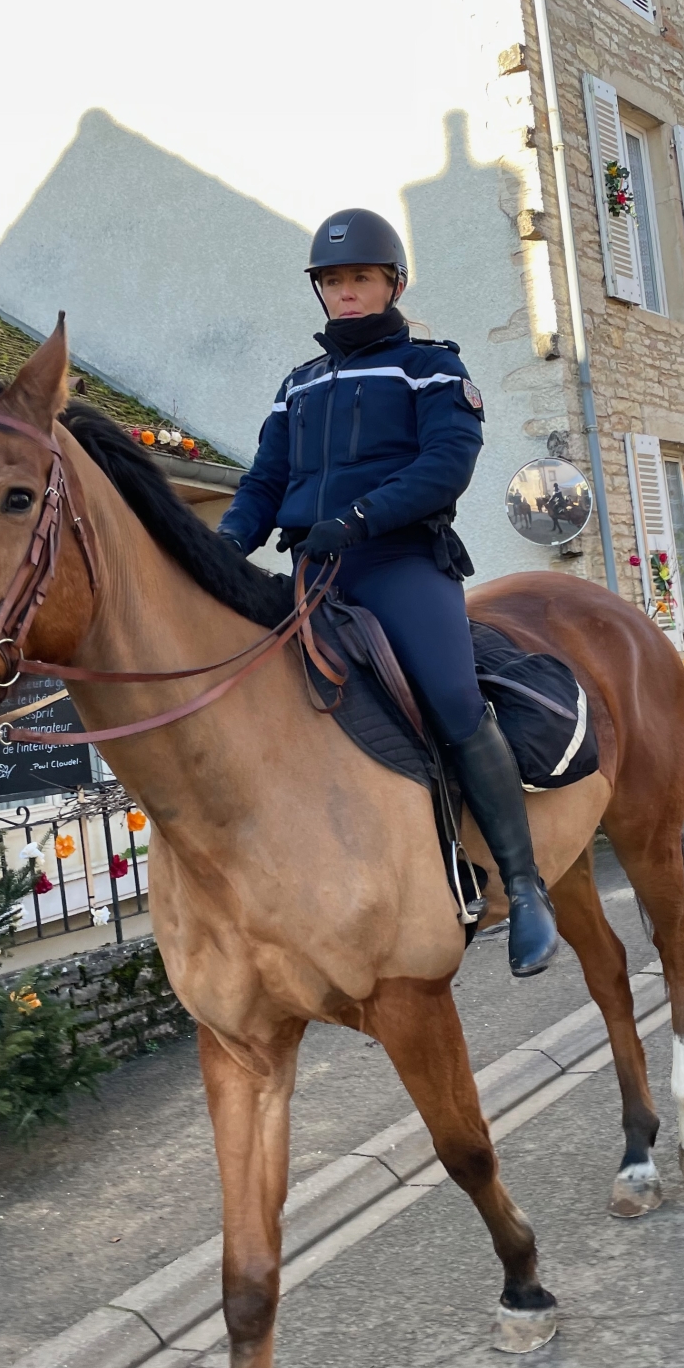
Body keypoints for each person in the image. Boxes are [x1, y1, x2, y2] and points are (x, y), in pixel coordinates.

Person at [215, 208, 560, 977]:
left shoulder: (430, 368)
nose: (345, 292)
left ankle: (524, 885)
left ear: (393, 284)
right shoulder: (297, 386)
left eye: (360, 278)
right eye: (333, 281)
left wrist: (359, 518)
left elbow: (445, 465)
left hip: (400, 563)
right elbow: (264, 481)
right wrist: (224, 543)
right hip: (314, 569)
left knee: (454, 701)